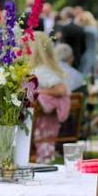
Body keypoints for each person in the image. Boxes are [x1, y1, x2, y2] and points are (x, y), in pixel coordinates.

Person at [30, 32, 70, 163]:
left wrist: (39, 92)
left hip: (40, 126)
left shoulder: (41, 71)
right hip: (46, 125)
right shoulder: (47, 69)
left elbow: (61, 89)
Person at [77, 11, 98, 77]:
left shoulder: (85, 30)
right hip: (94, 52)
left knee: (85, 72)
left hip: (86, 53)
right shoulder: (95, 29)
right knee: (92, 72)